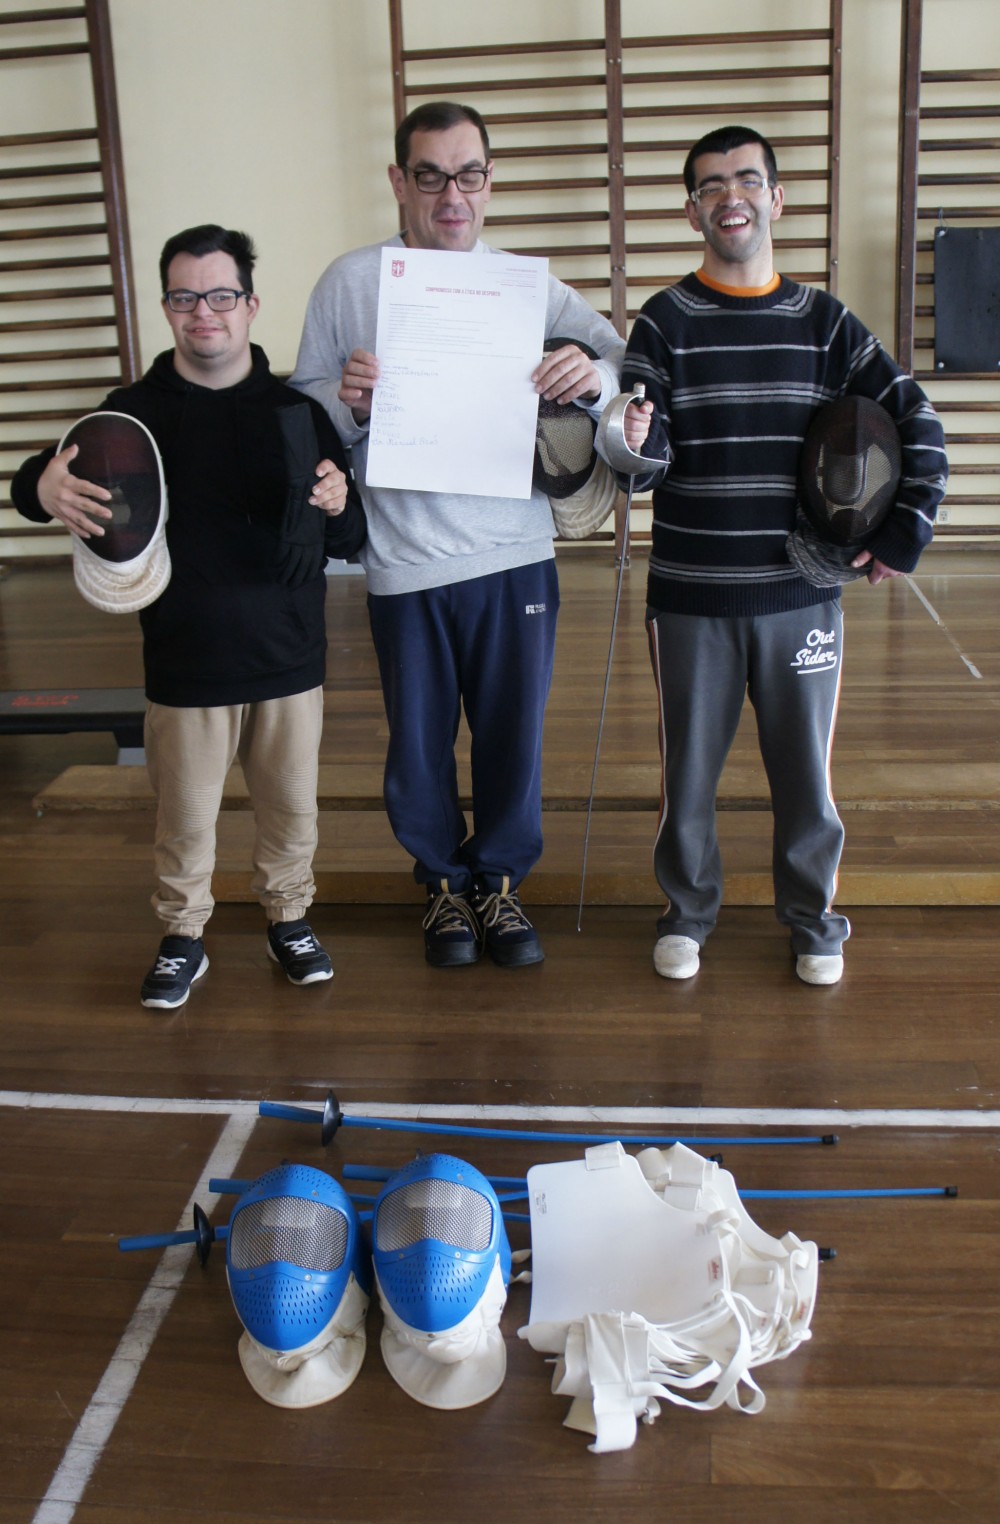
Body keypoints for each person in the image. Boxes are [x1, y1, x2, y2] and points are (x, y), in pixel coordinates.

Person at [291, 101, 626, 970]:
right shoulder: (351, 281)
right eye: (431, 176)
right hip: (403, 560)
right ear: (399, 181)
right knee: (419, 742)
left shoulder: (523, 285)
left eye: (468, 175)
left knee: (513, 737)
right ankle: (442, 884)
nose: (452, 195)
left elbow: (623, 361)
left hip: (513, 554)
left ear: (489, 181)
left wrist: (591, 372)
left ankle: (500, 885)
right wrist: (346, 401)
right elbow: (302, 402)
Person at [619, 125, 948, 987]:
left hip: (801, 594)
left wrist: (902, 533)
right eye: (710, 185)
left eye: (746, 180)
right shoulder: (663, 322)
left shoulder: (826, 323)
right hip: (689, 598)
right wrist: (633, 442)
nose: (730, 196)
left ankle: (813, 920)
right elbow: (641, 465)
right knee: (687, 775)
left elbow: (917, 420)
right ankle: (686, 914)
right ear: (692, 211)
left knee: (806, 776)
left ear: (775, 198)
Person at [13, 224, 366, 1010]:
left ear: (250, 305)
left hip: (288, 659)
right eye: (185, 297)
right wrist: (39, 488)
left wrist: (341, 503)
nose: (203, 311)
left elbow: (350, 536)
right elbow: (41, 478)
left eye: (220, 295)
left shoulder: (297, 412)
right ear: (168, 307)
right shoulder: (131, 414)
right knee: (184, 822)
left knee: (291, 814)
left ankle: (289, 920)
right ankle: (183, 936)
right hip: (185, 662)